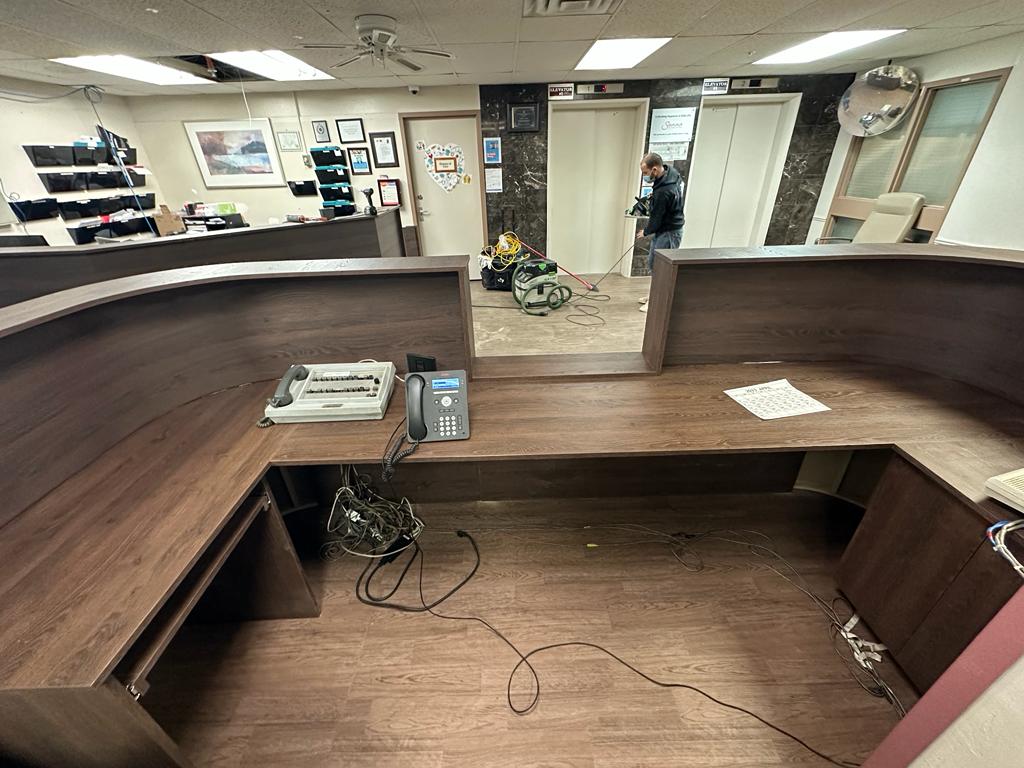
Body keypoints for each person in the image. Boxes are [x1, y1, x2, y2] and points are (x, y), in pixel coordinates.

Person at [636, 152, 685, 272]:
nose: (644, 176)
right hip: (666, 230)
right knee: (654, 264)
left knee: (661, 269)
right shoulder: (671, 174)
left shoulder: (663, 191)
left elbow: (656, 218)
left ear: (654, 169)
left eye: (645, 173)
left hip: (669, 233)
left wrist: (646, 232)